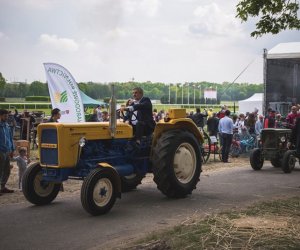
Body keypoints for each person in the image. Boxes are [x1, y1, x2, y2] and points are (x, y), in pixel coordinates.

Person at [0, 109, 15, 194]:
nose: (7, 117)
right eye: (5, 116)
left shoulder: (6, 125)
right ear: (0, 116)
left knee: (7, 170)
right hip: (0, 151)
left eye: (7, 116)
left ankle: (2, 187)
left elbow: (10, 138)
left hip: (7, 151)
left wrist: (12, 149)